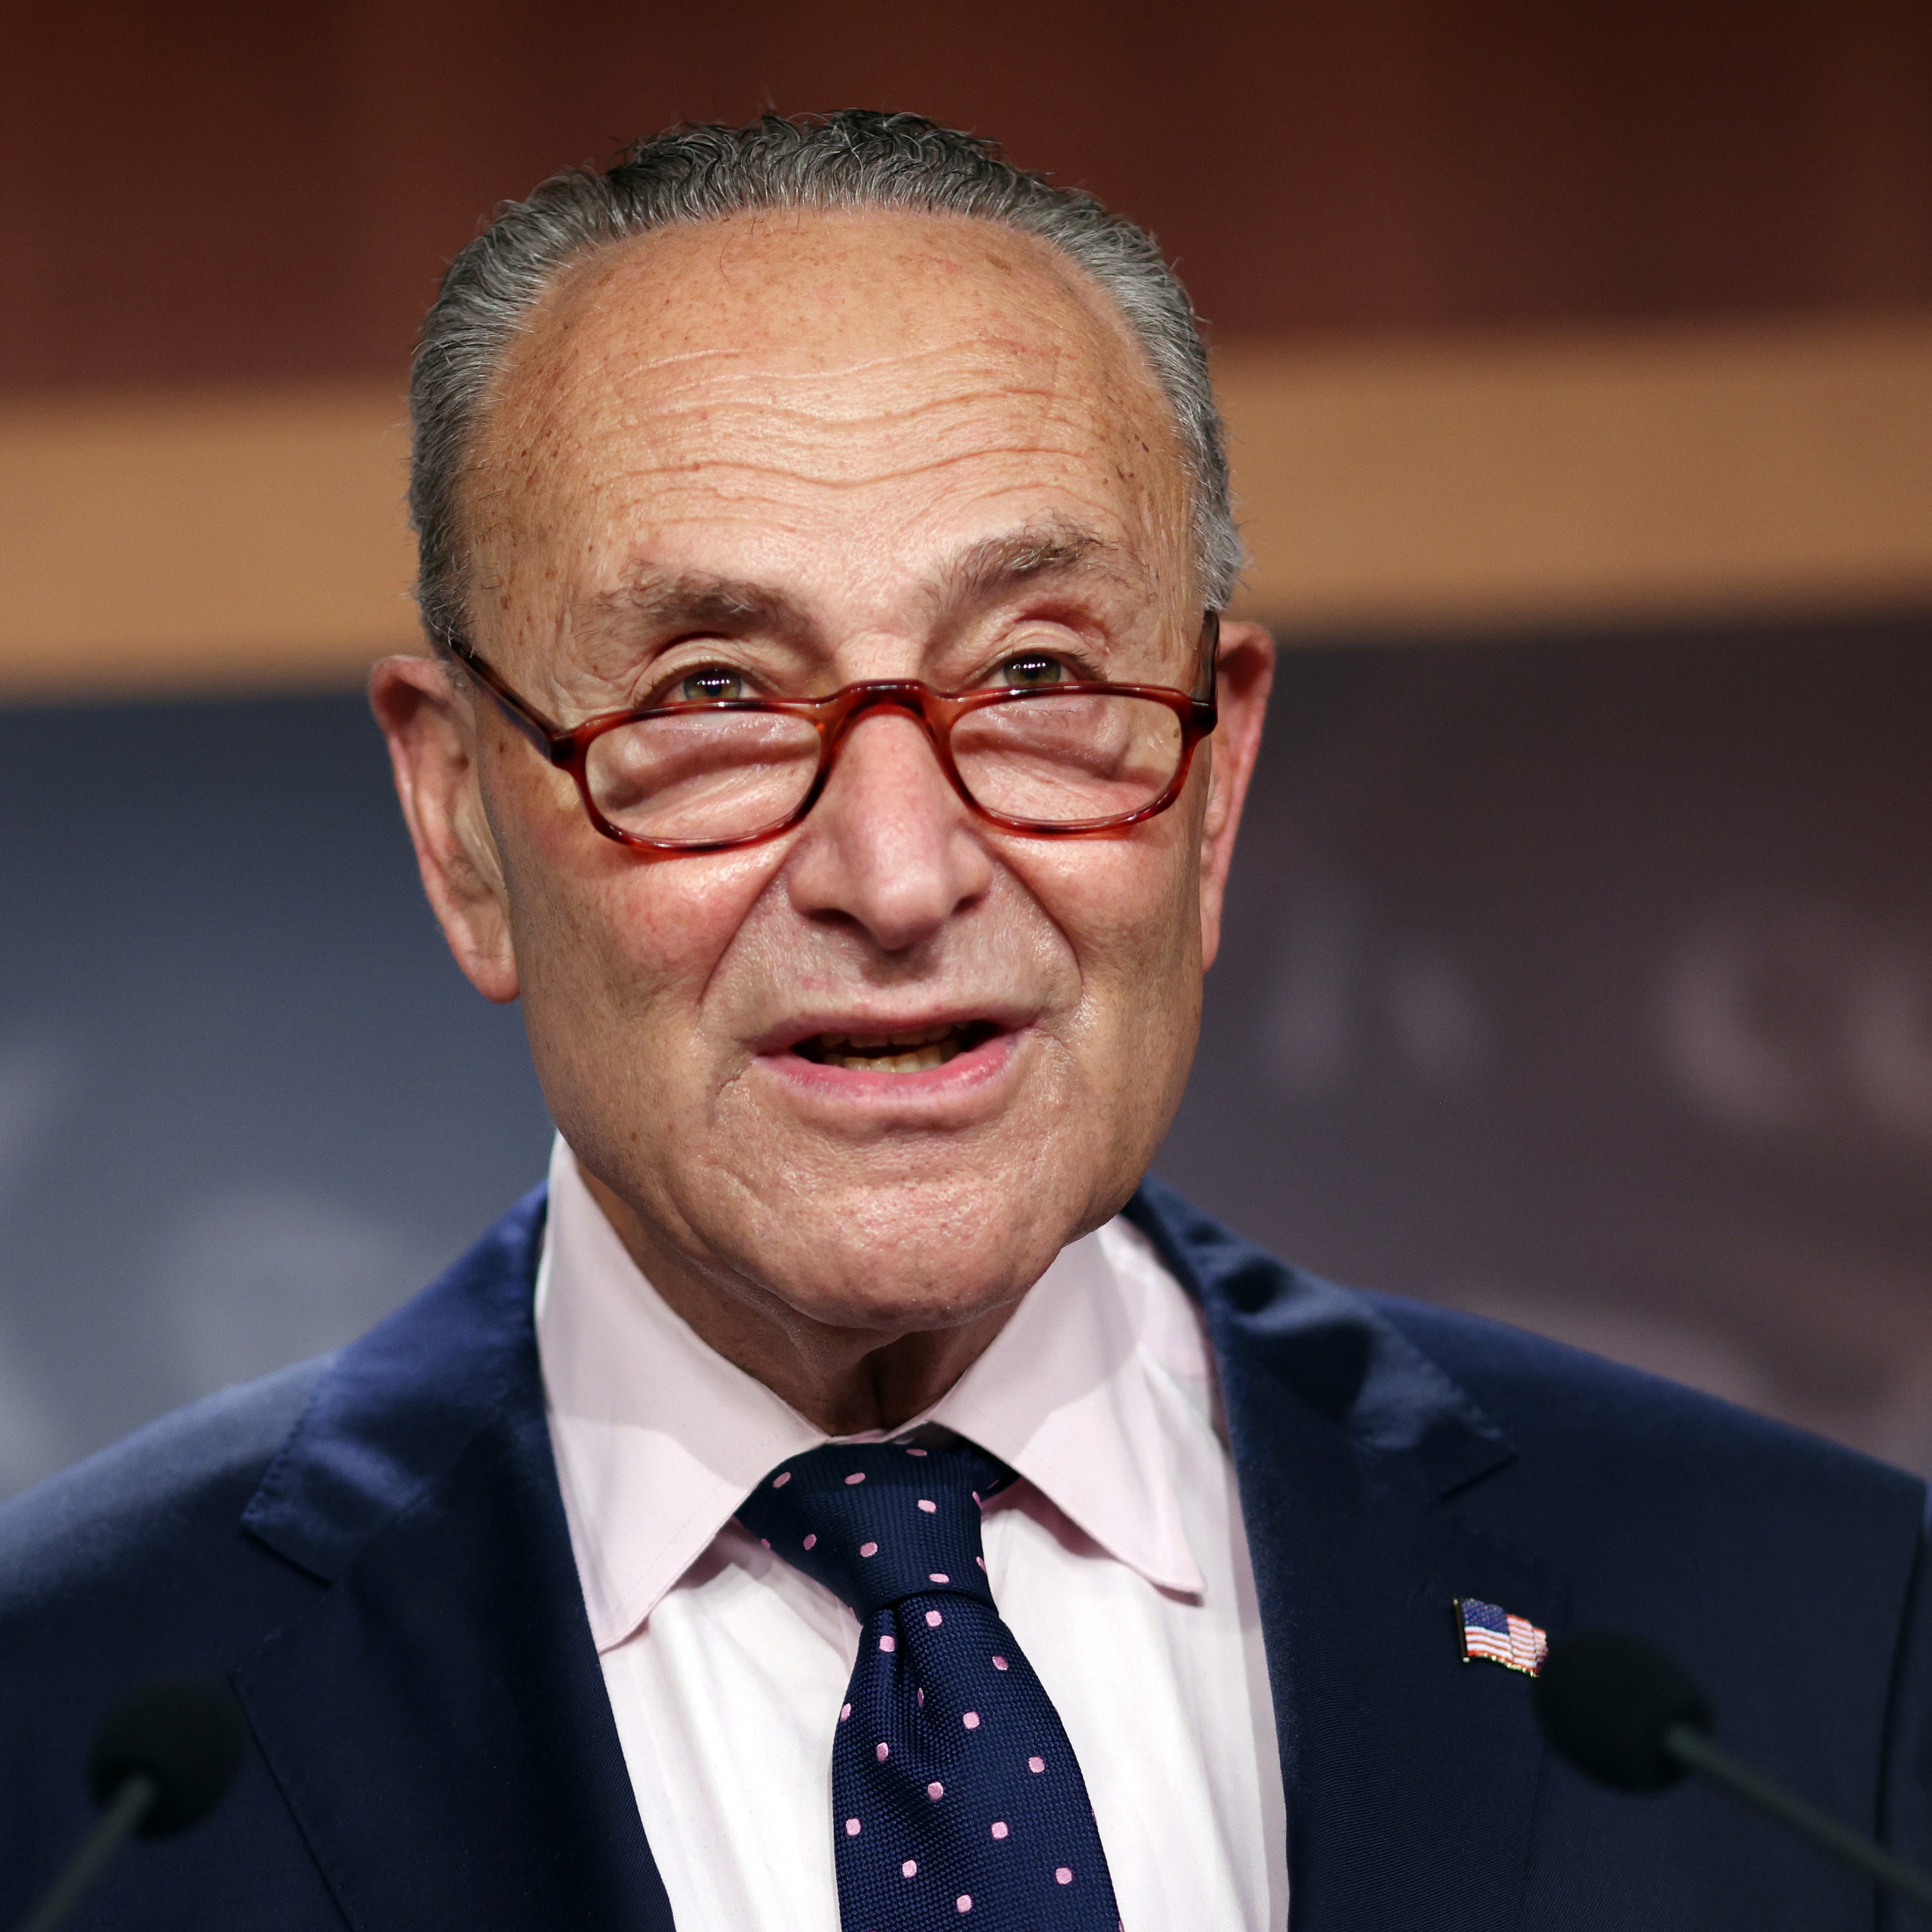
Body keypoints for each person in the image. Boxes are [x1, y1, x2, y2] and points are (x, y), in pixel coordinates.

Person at [1, 111, 1927, 1932]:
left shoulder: (1796, 1646)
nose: (900, 869)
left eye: (1032, 671)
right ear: (459, 823)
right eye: (712, 691)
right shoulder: (70, 1739)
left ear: (1217, 778)